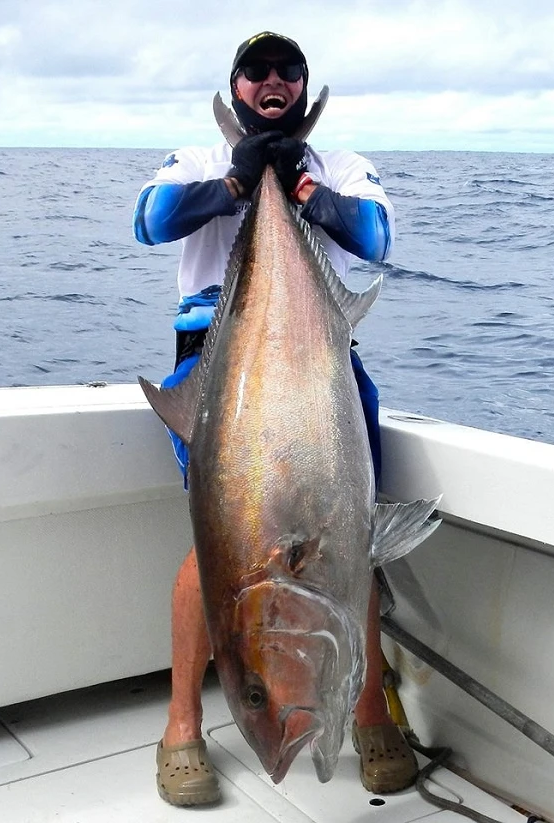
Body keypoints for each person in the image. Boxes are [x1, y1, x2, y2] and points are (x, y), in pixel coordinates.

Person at [133, 31, 418, 806]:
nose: (272, 83)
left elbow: (379, 237)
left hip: (322, 365)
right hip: (217, 371)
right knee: (220, 545)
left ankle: (366, 708)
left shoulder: (341, 167)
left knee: (349, 534)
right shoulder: (196, 157)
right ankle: (182, 726)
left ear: (301, 87)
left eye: (286, 73)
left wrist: (305, 194)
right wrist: (234, 183)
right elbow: (150, 222)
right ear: (237, 86)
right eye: (256, 73)